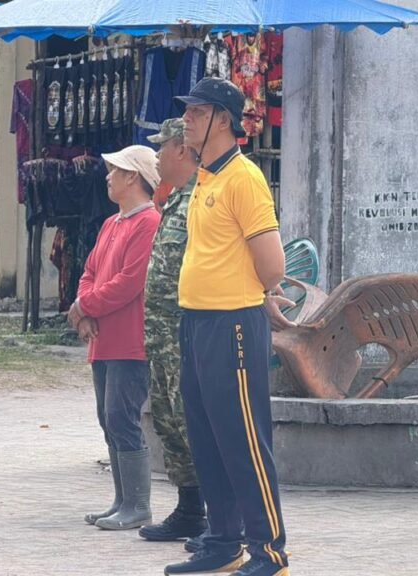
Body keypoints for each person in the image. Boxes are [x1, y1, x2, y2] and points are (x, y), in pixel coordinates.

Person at [163, 78, 291, 576]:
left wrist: (259, 295)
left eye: (196, 112)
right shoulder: (205, 178)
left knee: (243, 442)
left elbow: (272, 266)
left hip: (232, 323)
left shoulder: (243, 178)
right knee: (208, 437)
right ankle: (222, 541)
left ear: (222, 119)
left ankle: (269, 551)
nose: (187, 120)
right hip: (197, 322)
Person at [68, 145, 161, 531]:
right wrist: (85, 310)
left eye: (115, 170)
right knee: (108, 419)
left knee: (123, 418)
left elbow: (129, 283)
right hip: (104, 337)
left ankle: (137, 505)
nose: (108, 177)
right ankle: (122, 500)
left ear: (133, 177)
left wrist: (84, 306)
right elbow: (89, 272)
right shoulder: (112, 223)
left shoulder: (148, 223)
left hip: (129, 340)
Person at [136, 119, 208, 544]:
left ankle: (221, 516)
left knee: (194, 426)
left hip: (186, 337)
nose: (157, 156)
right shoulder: (176, 199)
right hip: (161, 338)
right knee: (169, 423)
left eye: (162, 148)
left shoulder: (203, 198)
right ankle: (189, 510)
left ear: (181, 149)